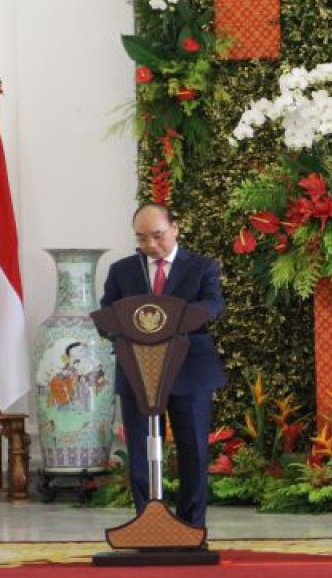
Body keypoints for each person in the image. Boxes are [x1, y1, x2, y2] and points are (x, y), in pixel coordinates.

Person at [100, 203, 226, 528]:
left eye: (157, 236)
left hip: (189, 370)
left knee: (193, 450)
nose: (151, 246)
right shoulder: (122, 271)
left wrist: (173, 319)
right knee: (140, 453)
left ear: (175, 228)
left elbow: (213, 305)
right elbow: (106, 317)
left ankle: (191, 527)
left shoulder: (202, 267)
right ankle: (146, 523)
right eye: (141, 239)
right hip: (137, 371)